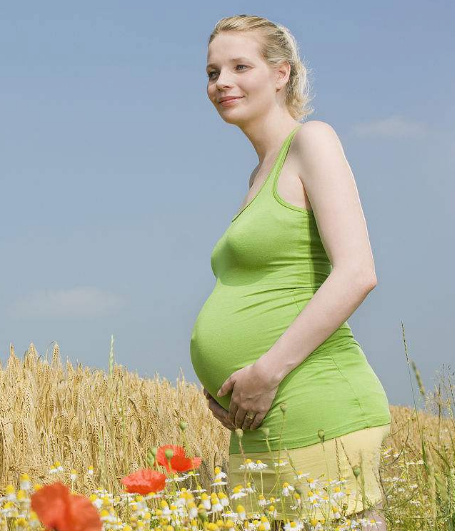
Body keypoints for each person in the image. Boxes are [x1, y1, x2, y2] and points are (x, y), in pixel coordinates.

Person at [189, 14, 392, 530]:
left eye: (240, 67)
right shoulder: (259, 174)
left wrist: (265, 373)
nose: (222, 82)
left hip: (316, 410)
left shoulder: (311, 141)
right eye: (213, 72)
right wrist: (227, 387)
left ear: (282, 73)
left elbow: (357, 272)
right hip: (258, 424)